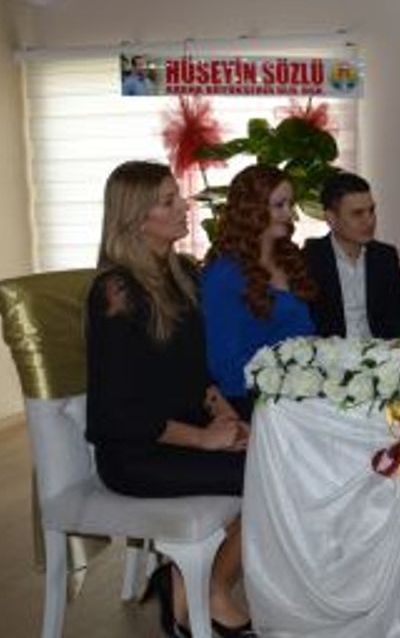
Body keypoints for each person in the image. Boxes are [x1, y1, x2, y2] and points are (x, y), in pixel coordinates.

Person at [86, 161, 254, 637]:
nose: (185, 206)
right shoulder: (115, 291)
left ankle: (187, 584)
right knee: (265, 476)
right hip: (136, 452)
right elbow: (118, 411)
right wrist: (204, 439)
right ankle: (209, 590)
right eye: (168, 201)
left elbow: (192, 371)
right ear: (137, 219)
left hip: (182, 433)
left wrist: (223, 412)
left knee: (276, 453)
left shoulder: (182, 273)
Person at [202, 165, 316, 418]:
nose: (289, 213)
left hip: (302, 396)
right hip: (254, 404)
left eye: (290, 204)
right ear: (251, 209)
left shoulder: (289, 259)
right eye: (279, 205)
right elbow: (224, 363)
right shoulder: (224, 274)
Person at [303, 172, 400, 339]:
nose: (369, 221)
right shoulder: (311, 258)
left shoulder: (385, 257)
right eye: (357, 213)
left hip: (380, 351)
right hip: (330, 352)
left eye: (371, 211)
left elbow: (397, 323)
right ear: (331, 218)